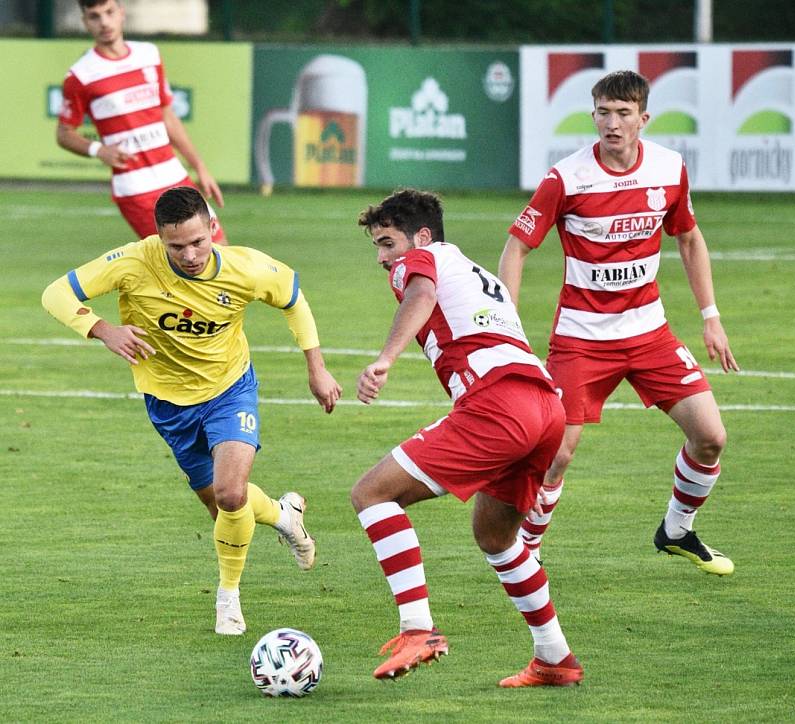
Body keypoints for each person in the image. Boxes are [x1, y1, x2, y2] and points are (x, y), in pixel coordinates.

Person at [42, 186, 342, 635]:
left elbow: (294, 300)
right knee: (222, 507)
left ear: (212, 228)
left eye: (198, 242)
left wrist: (316, 369)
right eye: (176, 246)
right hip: (168, 403)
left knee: (230, 492)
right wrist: (101, 328)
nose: (189, 254)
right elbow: (56, 294)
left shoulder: (245, 267)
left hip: (230, 389)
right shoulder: (134, 261)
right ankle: (283, 515)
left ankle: (228, 600)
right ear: (158, 238)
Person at [498, 70, 738, 575]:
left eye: (623, 113)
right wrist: (507, 322)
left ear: (643, 119)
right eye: (603, 112)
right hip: (581, 340)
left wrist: (711, 318)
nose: (612, 123)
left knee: (711, 436)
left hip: (650, 334)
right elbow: (517, 246)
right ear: (593, 116)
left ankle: (676, 530)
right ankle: (528, 553)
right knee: (557, 453)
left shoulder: (670, 169)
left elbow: (689, 238)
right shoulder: (566, 179)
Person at [352, 189, 582, 687]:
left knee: (371, 494)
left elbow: (421, 295)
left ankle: (418, 630)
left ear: (422, 236)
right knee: (497, 536)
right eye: (377, 246)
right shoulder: (479, 273)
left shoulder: (422, 261)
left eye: (387, 243)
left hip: (499, 405)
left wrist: (385, 359)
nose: (382, 258)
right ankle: (555, 658)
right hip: (546, 408)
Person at [57, 0, 227, 243]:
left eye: (109, 12)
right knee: (181, 262)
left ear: (121, 13)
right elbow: (64, 133)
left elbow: (167, 116)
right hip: (136, 187)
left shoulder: (148, 54)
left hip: (175, 175)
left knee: (221, 251)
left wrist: (199, 166)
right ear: (85, 22)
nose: (104, 22)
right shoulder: (80, 76)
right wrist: (98, 150)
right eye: (94, 16)